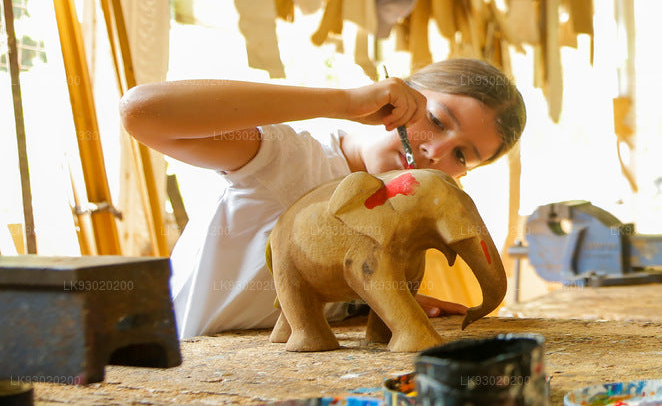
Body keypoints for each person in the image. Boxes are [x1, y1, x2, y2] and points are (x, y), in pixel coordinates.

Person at [119, 58, 526, 339]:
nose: (435, 152)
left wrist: (362, 300)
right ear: (395, 95)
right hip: (184, 371)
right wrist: (344, 102)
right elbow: (142, 111)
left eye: (461, 156)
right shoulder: (285, 158)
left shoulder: (402, 218)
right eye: (436, 121)